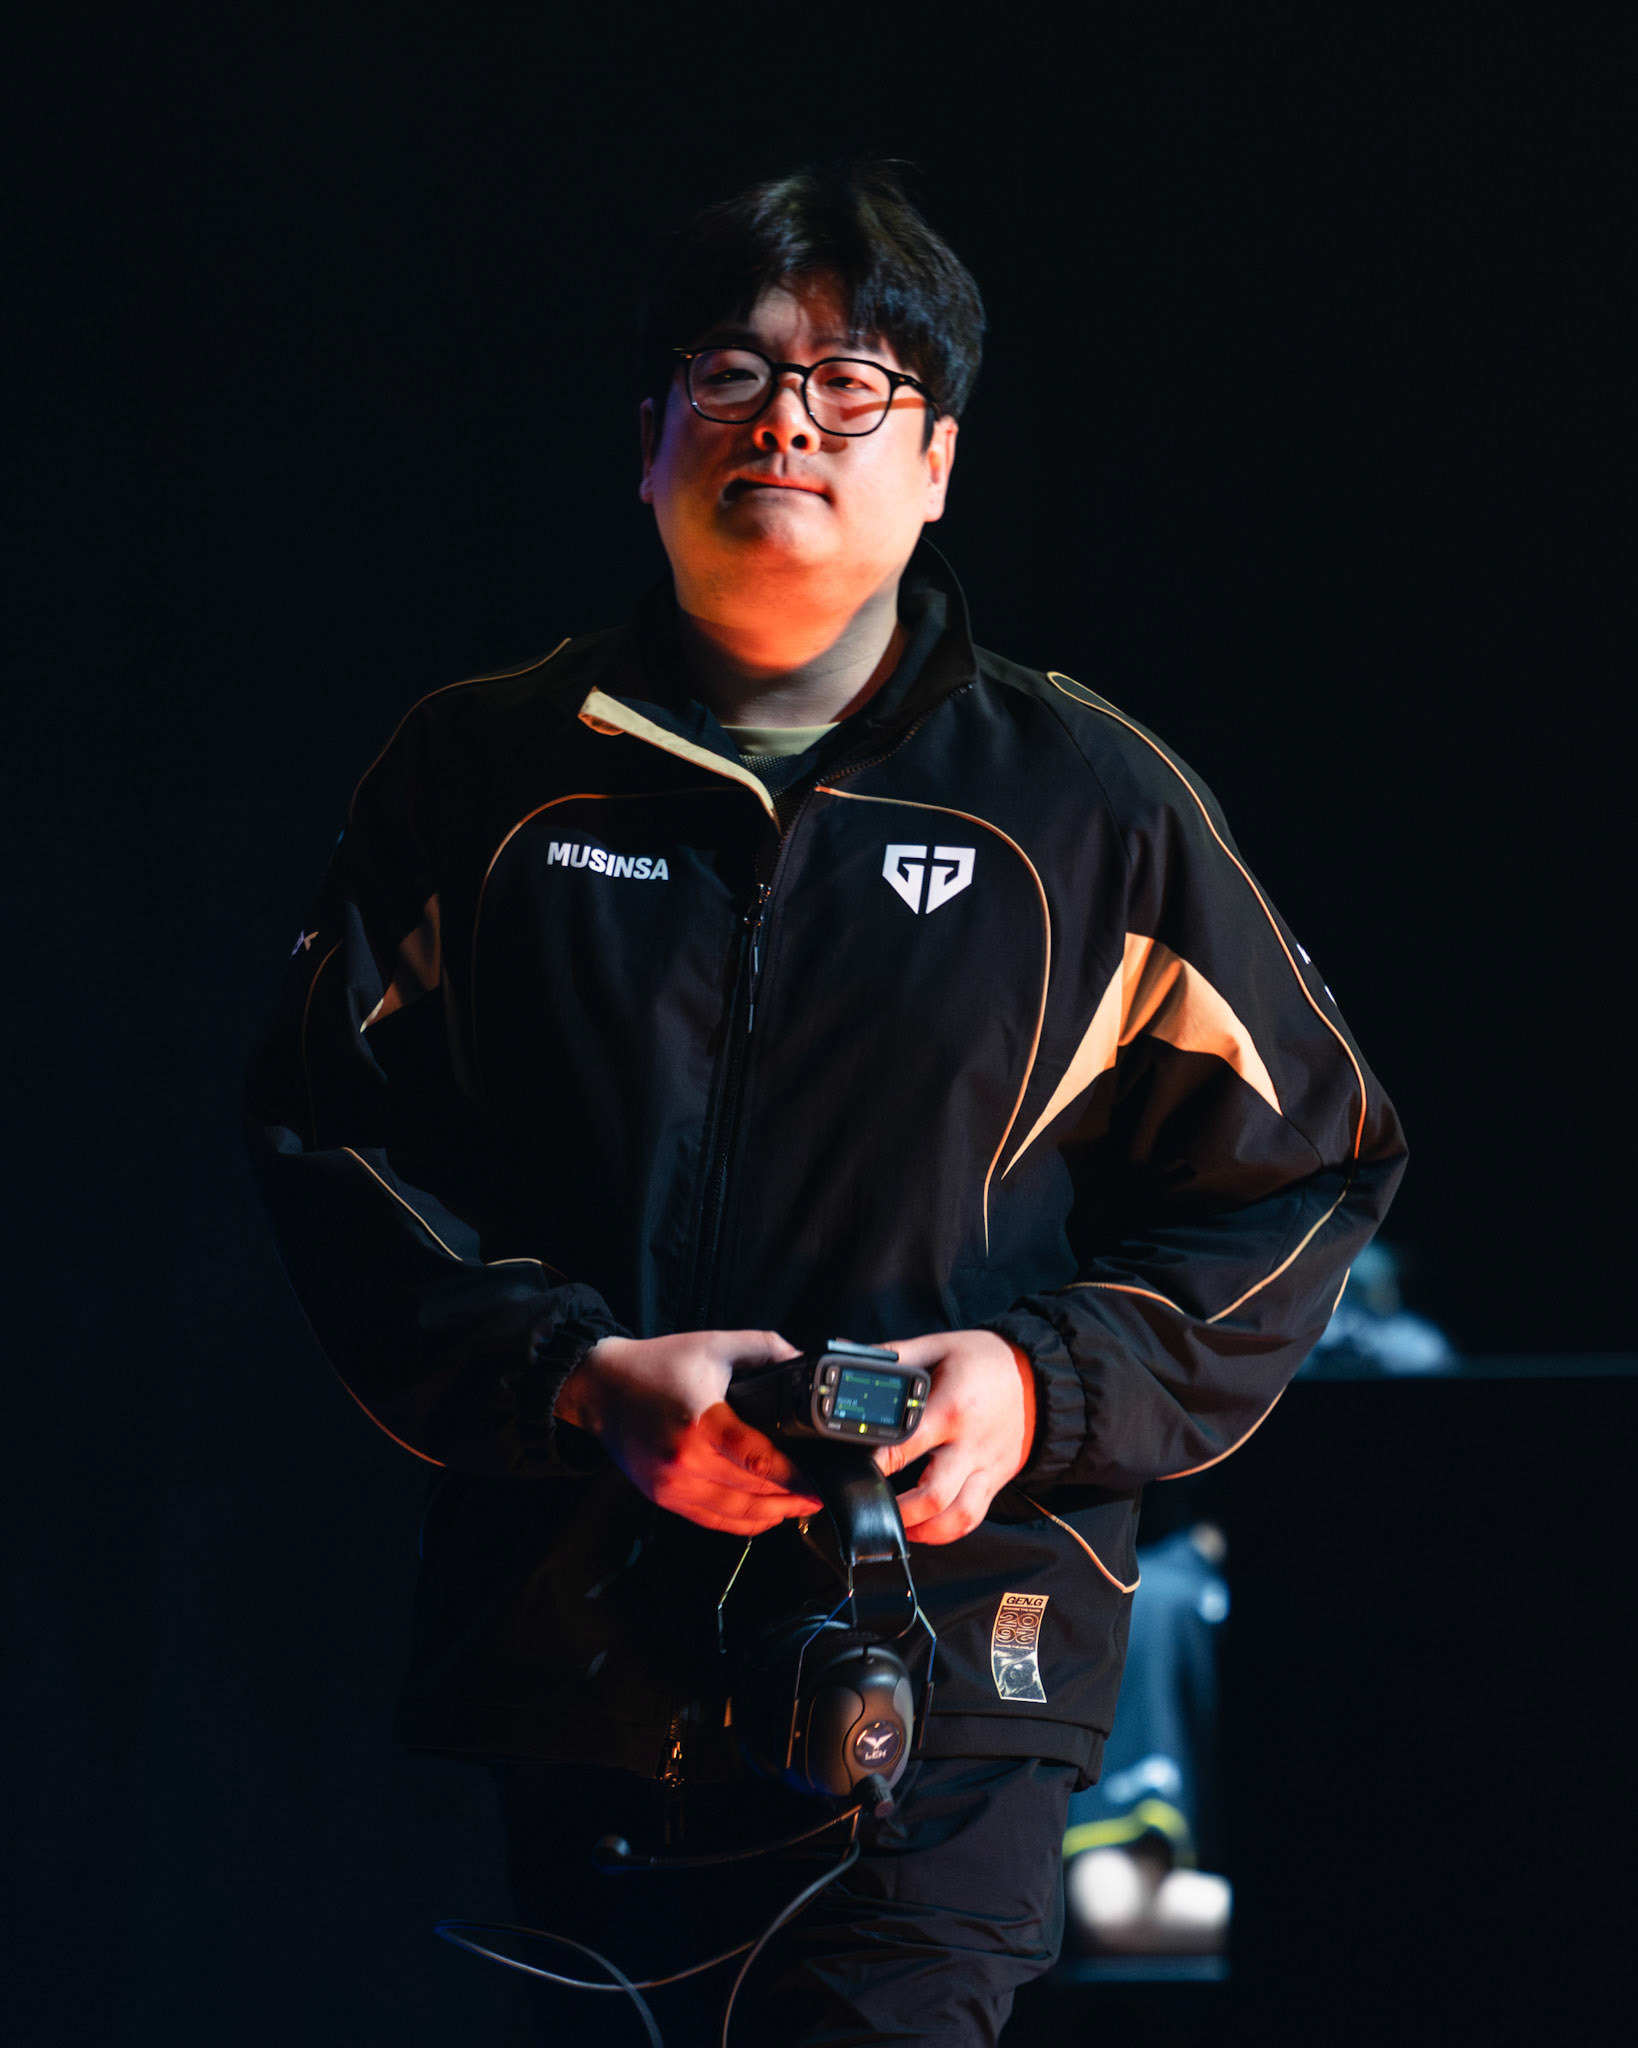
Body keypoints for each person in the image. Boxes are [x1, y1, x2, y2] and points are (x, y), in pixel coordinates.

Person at [246, 161, 1407, 2045]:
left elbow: (1303, 1174)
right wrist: (576, 1379)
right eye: (733, 371)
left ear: (935, 462)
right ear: (646, 440)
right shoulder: (483, 775)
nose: (785, 418)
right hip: (577, 1654)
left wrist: (1035, 1385)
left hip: (944, 1679)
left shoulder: (1086, 805)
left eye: (852, 382)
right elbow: (331, 1141)